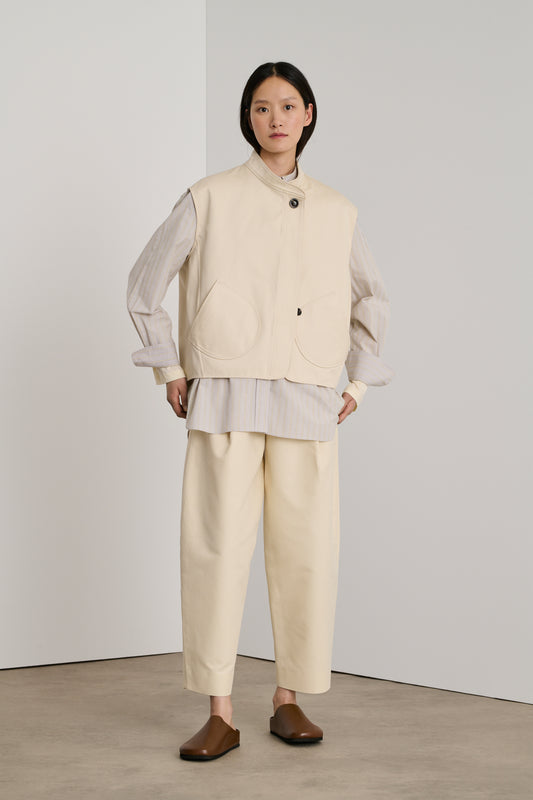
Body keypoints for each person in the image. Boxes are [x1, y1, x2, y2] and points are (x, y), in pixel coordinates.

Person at [126, 61, 393, 761]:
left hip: (307, 393)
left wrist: (358, 383)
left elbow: (371, 296)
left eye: (287, 105)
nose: (275, 118)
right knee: (215, 549)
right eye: (261, 107)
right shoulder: (209, 196)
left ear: (308, 114)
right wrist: (170, 368)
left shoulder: (337, 210)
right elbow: (146, 282)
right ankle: (219, 711)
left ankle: (288, 697)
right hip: (225, 391)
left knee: (306, 551)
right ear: (247, 118)